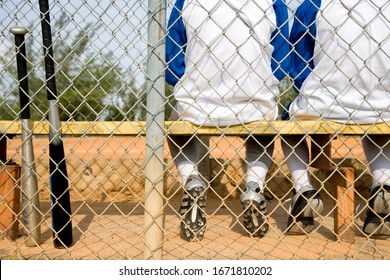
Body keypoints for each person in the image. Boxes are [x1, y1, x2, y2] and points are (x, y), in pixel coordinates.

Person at [166, 0, 290, 241]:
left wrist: (187, 81)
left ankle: (191, 179)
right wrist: (264, 80)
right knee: (263, 130)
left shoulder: (185, 1)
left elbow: (172, 61)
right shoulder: (274, 2)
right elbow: (283, 55)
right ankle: (254, 187)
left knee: (176, 127)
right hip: (255, 99)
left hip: (197, 102)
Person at [283, 0, 390, 237]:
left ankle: (304, 189)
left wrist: (311, 89)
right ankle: (383, 184)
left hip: (323, 102)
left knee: (288, 125)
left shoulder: (313, 4)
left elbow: (298, 62)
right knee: (378, 125)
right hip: (382, 103)